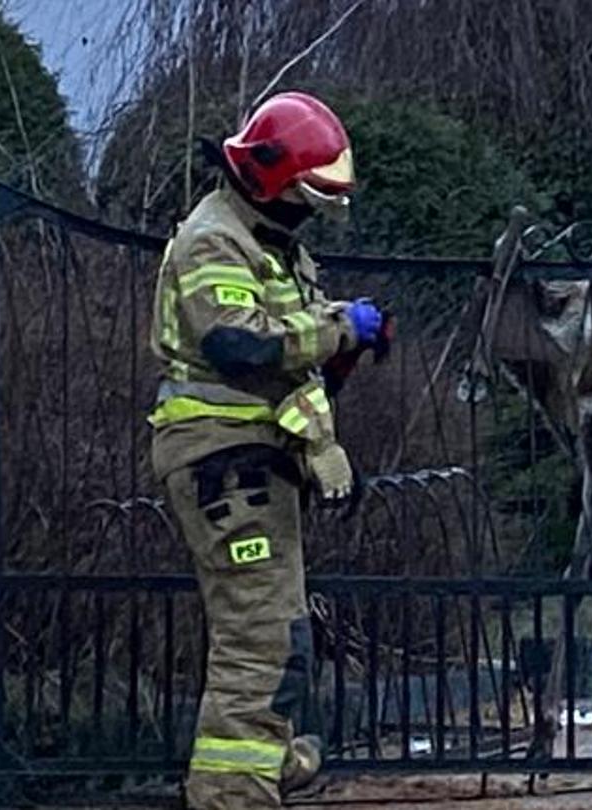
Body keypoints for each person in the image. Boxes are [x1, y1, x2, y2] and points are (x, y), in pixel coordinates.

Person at [147, 91, 389, 810]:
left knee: (276, 633)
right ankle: (231, 793)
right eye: (309, 193)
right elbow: (239, 345)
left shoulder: (273, 244)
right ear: (269, 175)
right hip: (225, 463)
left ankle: (259, 768)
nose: (314, 209)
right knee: (259, 642)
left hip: (254, 462)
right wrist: (344, 329)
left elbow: (287, 358)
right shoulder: (213, 240)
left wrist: (341, 355)